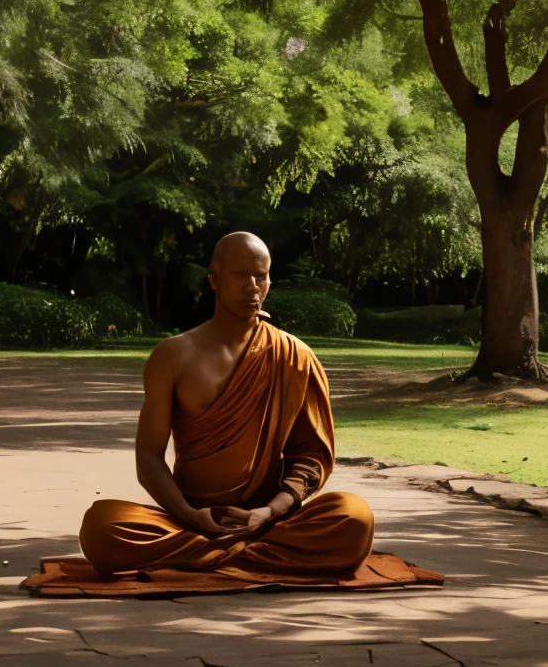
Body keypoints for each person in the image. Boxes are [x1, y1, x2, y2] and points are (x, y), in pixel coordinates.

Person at [78, 231, 374, 582]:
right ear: (214, 280)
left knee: (355, 518)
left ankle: (210, 557)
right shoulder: (172, 356)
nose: (252, 286)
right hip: (191, 520)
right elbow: (149, 459)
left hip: (269, 521)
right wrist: (190, 515)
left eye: (261, 276)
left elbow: (310, 456)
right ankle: (252, 557)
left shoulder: (294, 357)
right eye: (240, 275)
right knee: (101, 527)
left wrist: (270, 510)